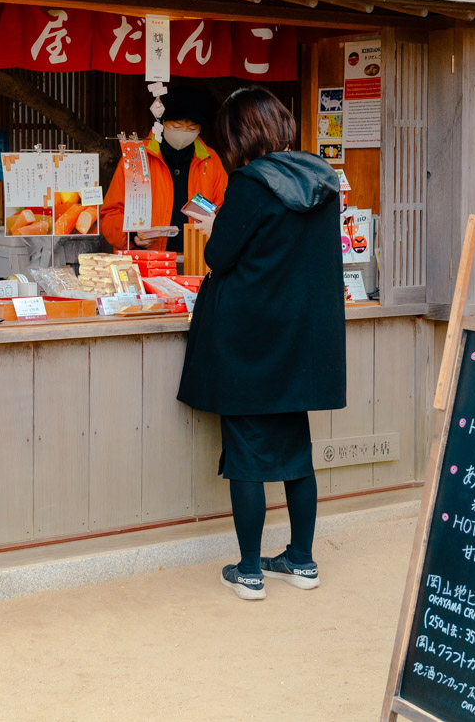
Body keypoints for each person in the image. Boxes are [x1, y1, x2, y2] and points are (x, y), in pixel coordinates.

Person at [177, 87, 345, 601]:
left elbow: (221, 259)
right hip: (301, 341)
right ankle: (302, 560)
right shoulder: (324, 180)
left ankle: (249, 571)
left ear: (241, 134)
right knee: (297, 453)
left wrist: (213, 227)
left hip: (249, 339)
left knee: (246, 454)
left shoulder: (250, 183)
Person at [100, 87, 228, 252]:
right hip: (147, 263)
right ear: (162, 122)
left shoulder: (210, 160)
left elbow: (225, 212)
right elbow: (111, 213)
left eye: (192, 128)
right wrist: (133, 235)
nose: (183, 132)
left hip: (197, 263)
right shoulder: (137, 157)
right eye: (177, 125)